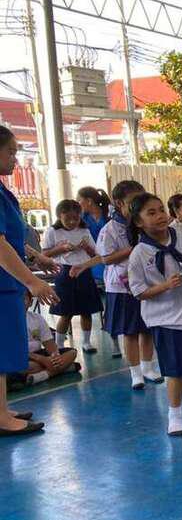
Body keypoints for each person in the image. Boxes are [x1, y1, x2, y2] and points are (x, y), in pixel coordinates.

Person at [128, 192, 182, 437]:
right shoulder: (139, 253)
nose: (159, 216)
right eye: (151, 213)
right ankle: (175, 415)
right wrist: (165, 286)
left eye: (161, 210)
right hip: (165, 318)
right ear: (138, 222)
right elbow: (138, 292)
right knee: (175, 369)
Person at [0, 125, 59, 435]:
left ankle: (1, 408)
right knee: (1, 349)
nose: (15, 158)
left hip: (7, 281)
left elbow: (11, 238)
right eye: (10, 151)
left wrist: (37, 256)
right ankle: (2, 418)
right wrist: (33, 282)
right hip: (2, 283)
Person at [95, 179, 162, 390]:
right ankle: (135, 373)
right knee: (130, 331)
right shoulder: (110, 229)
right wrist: (133, 249)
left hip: (146, 283)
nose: (137, 206)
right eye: (133, 201)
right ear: (119, 203)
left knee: (147, 328)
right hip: (121, 287)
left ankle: (148, 367)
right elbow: (106, 258)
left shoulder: (144, 225)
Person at [42, 200, 103, 354]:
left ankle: (87, 342)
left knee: (86, 310)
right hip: (63, 272)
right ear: (59, 216)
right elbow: (44, 254)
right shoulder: (53, 231)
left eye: (75, 218)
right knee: (66, 312)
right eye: (67, 219)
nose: (72, 222)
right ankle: (59, 345)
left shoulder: (84, 230)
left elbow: (95, 254)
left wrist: (86, 247)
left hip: (83, 271)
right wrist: (61, 248)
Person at [9, 290, 79, 389]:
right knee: (24, 367)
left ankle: (43, 375)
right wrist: (43, 360)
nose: (19, 302)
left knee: (72, 353)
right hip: (18, 358)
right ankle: (64, 368)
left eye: (23, 298)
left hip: (38, 354)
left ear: (30, 302)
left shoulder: (37, 319)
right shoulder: (6, 320)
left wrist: (55, 357)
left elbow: (50, 345)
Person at [76, 186, 110, 289]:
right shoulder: (81, 219)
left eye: (79, 200)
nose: (77, 204)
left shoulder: (109, 216)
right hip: (90, 261)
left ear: (89, 201)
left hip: (109, 257)